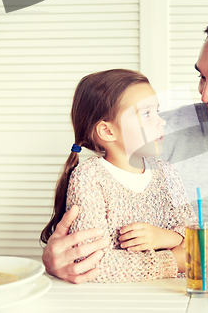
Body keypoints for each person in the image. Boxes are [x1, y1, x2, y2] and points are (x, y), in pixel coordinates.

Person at [41, 10, 208, 282]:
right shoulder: (158, 133)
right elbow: (91, 224)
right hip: (157, 291)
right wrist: (56, 258)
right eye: (202, 77)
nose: (206, 94)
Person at [40, 69, 195, 283]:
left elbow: (195, 240)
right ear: (107, 131)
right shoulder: (89, 177)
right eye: (147, 114)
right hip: (112, 298)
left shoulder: (168, 172)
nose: (162, 121)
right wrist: (172, 260)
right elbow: (92, 263)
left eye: (157, 111)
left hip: (170, 294)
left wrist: (163, 237)